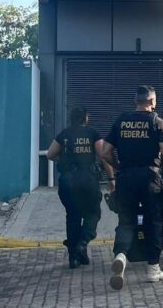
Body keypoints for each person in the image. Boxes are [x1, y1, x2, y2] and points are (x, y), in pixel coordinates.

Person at [98, 85, 163, 290]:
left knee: (126, 220)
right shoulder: (158, 123)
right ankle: (153, 268)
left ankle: (121, 255)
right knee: (154, 221)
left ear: (136, 101)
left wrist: (119, 167)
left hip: (126, 178)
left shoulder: (121, 121)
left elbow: (104, 151)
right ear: (152, 102)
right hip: (150, 178)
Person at [47, 106, 113, 269]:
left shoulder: (64, 134)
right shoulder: (92, 133)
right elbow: (104, 156)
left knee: (73, 217)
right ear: (86, 118)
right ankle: (82, 243)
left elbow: (50, 154)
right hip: (88, 182)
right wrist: (111, 178)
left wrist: (65, 161)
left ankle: (73, 259)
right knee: (93, 214)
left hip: (67, 184)